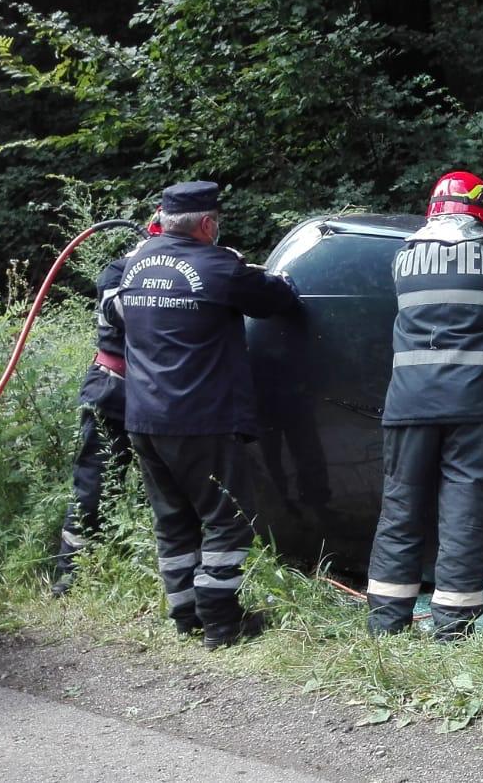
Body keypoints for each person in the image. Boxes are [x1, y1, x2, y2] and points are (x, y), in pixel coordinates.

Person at [117, 181, 301, 648]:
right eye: (216, 221)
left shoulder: (134, 264)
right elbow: (277, 298)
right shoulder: (218, 266)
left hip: (143, 417)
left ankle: (186, 615)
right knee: (228, 518)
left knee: (173, 519)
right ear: (206, 224)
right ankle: (222, 622)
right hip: (201, 418)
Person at [366, 171, 483, 640]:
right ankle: (452, 629)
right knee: (465, 512)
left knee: (401, 509)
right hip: (475, 406)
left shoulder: (402, 258)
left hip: (408, 405)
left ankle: (386, 626)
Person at [51, 212, 160, 597]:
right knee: (93, 483)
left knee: (168, 484)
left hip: (161, 396)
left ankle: (162, 572)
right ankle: (71, 576)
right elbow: (129, 314)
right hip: (112, 389)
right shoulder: (118, 272)